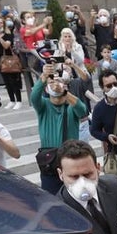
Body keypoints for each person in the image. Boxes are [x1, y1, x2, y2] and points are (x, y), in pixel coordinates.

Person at [31, 63, 88, 194]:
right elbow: (34, 97)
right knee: (51, 198)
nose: (55, 85)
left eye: (59, 82)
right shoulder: (43, 106)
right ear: (46, 89)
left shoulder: (70, 105)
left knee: (75, 195)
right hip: (50, 161)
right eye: (51, 83)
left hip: (71, 158)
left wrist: (64, 92)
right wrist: (44, 76)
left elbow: (82, 110)